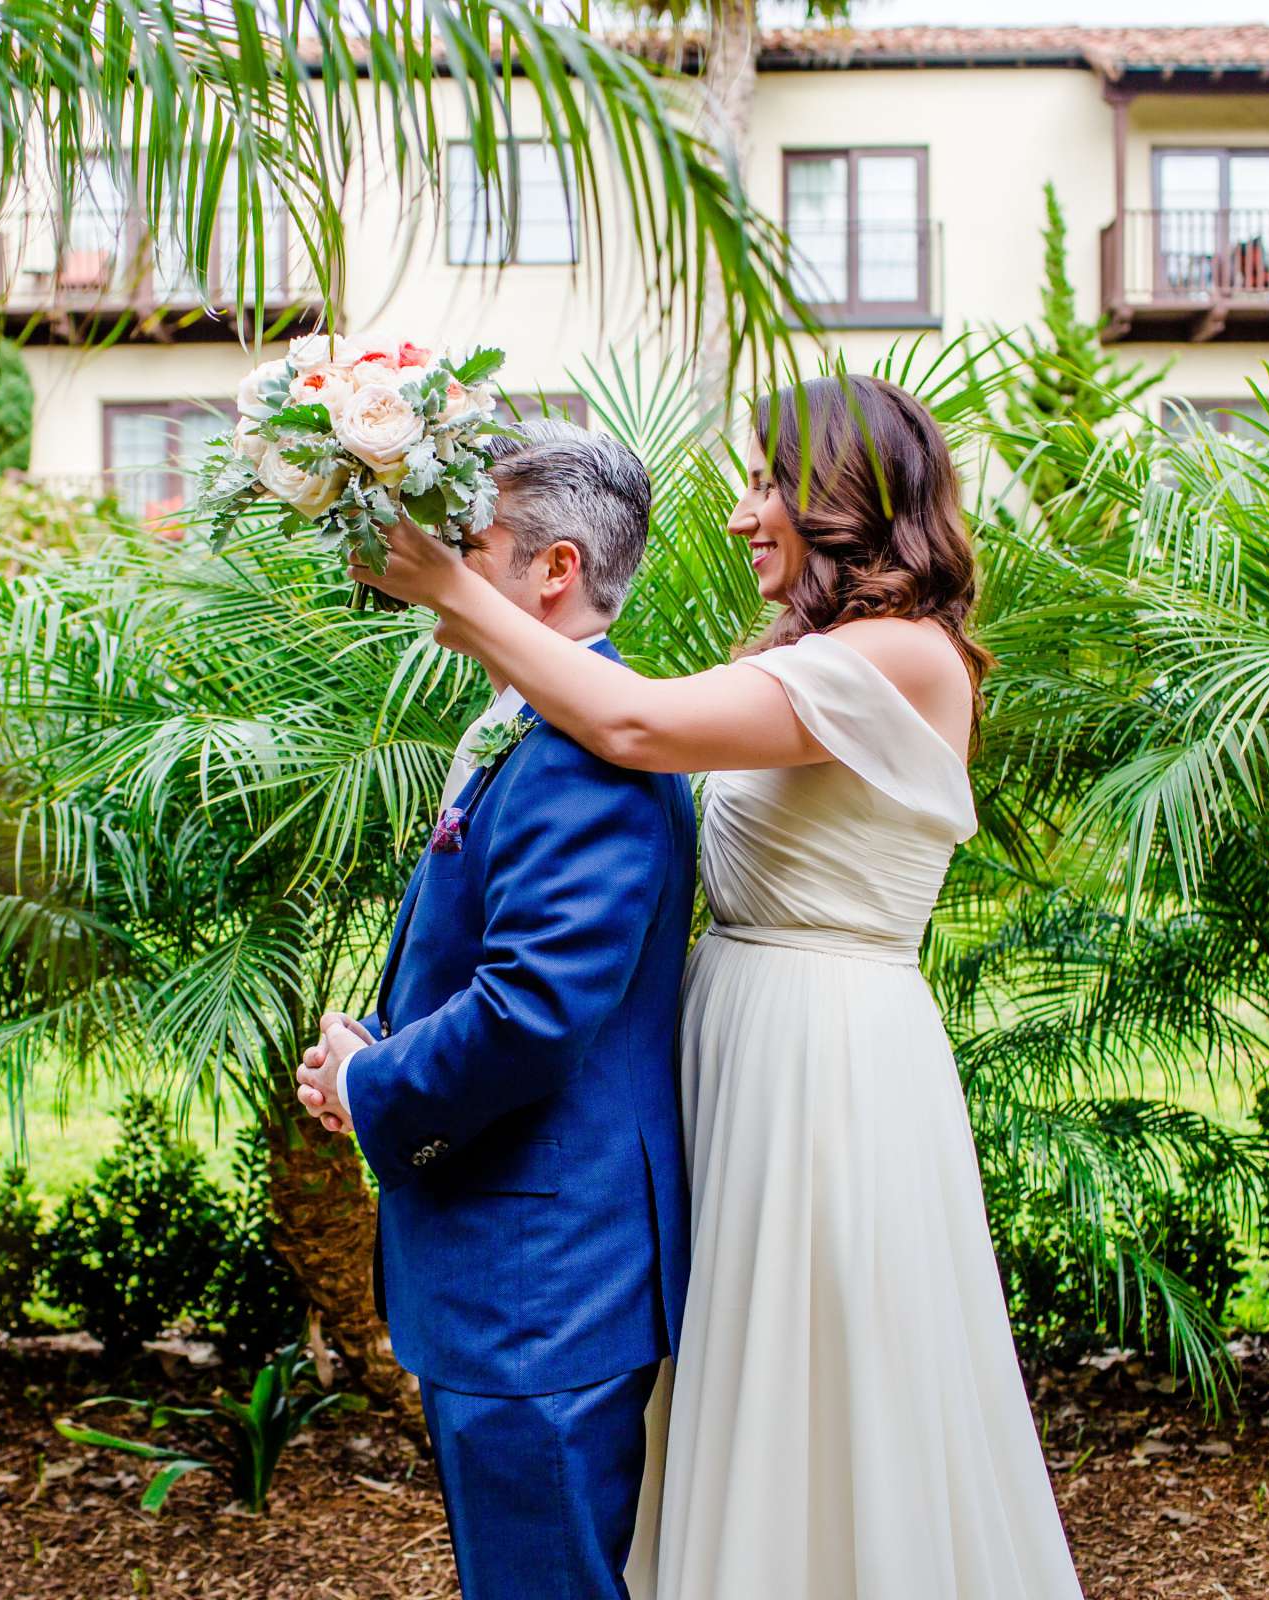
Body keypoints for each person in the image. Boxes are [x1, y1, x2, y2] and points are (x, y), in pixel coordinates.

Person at [343, 375, 1085, 1599]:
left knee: (836, 1407)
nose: (743, 514)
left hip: (826, 1070)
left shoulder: (901, 656)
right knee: (751, 1412)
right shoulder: (814, 654)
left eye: (766, 482)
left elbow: (630, 724)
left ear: (846, 496)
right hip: (740, 1055)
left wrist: (454, 585)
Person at [292, 419, 697, 1600]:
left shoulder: (584, 755)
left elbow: (531, 1009)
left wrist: (369, 1088)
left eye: (471, 540)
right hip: (517, 1270)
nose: (439, 562)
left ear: (555, 568)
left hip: (542, 1283)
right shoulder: (544, 722)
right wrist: (376, 1042)